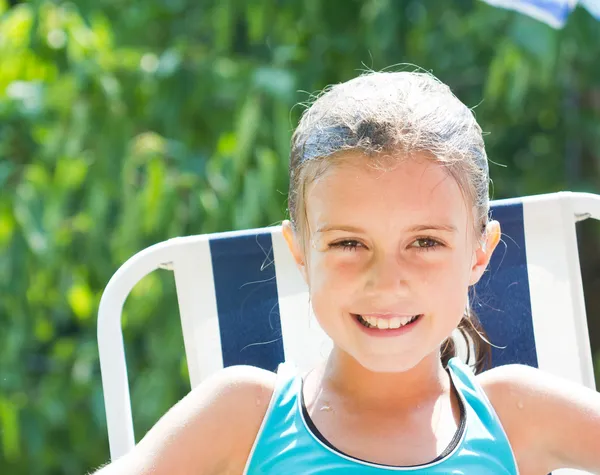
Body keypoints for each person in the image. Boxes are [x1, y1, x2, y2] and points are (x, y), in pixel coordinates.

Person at [94, 71, 600, 475]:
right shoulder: (242, 417)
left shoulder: (517, 414)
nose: (385, 281)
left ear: (479, 253)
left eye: (424, 242)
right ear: (300, 253)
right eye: (348, 243)